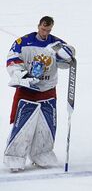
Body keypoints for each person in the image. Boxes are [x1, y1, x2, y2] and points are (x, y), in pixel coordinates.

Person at [4, 16, 75, 172]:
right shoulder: (23, 42)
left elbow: (67, 61)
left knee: (47, 127)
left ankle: (42, 154)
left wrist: (67, 54)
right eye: (43, 29)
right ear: (38, 26)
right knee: (23, 127)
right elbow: (12, 60)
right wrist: (22, 75)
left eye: (48, 30)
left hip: (48, 91)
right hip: (28, 91)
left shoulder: (56, 44)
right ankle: (15, 158)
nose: (45, 32)